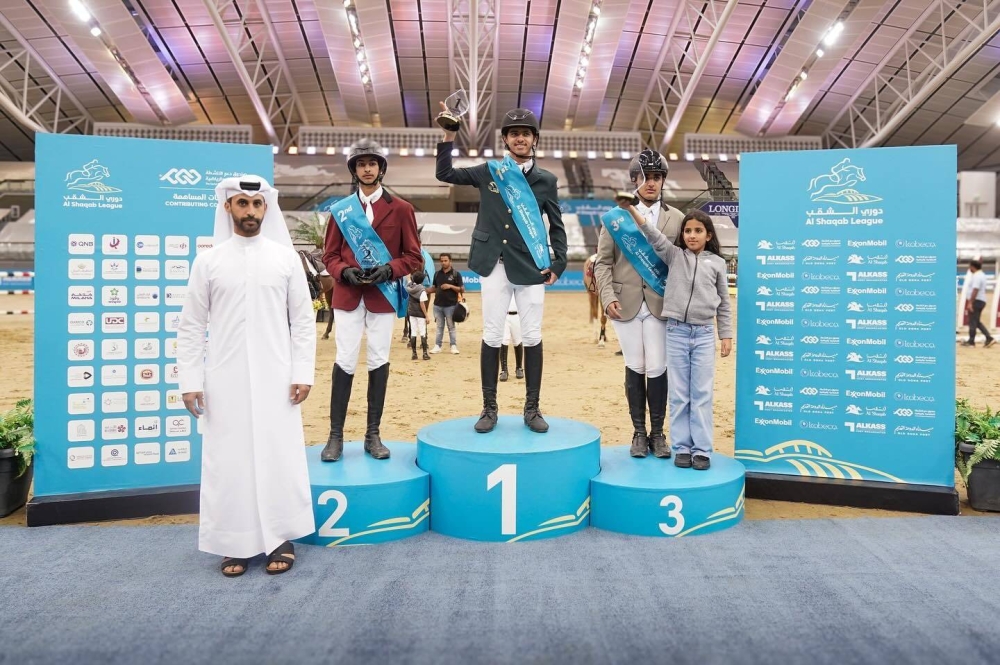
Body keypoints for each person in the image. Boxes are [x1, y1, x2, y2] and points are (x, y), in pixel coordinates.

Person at [177, 176, 316, 577]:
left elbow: (303, 322)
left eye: (257, 204)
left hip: (278, 378)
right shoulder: (209, 262)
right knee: (228, 460)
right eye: (242, 203)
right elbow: (191, 325)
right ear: (227, 207)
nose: (250, 211)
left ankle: (280, 538)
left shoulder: (285, 259)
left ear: (266, 208)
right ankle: (233, 542)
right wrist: (190, 380)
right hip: (224, 379)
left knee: (278, 456)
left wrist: (302, 371)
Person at [436, 104, 568, 434]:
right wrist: (449, 136)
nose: (520, 138)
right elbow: (446, 174)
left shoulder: (547, 180)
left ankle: (532, 408)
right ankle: (489, 408)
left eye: (525, 134)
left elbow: (556, 225)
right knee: (492, 334)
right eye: (514, 134)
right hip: (492, 263)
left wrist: (559, 263)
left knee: (532, 335)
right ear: (506, 140)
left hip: (530, 266)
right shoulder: (490, 171)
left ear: (534, 139)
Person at [320, 139, 423, 462]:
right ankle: (335, 436)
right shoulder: (340, 210)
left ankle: (372, 434)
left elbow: (414, 257)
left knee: (379, 359)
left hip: (382, 295)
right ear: (354, 170)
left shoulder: (402, 209)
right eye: (361, 164)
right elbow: (330, 255)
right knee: (345, 359)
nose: (367, 169)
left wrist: (389, 270)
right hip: (348, 294)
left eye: (372, 163)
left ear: (381, 168)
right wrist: (344, 271)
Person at [595, 149, 684, 458]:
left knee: (658, 366)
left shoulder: (678, 218)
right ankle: (638, 433)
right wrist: (607, 296)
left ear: (663, 181)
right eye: (645, 177)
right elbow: (603, 262)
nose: (651, 183)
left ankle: (657, 434)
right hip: (625, 303)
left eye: (657, 177)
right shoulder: (614, 218)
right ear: (634, 180)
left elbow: (681, 265)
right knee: (635, 365)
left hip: (662, 303)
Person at [633, 208, 732, 470]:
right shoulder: (674, 255)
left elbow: (724, 302)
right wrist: (631, 208)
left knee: (701, 394)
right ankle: (682, 448)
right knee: (679, 395)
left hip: (704, 334)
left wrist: (725, 334)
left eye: (698, 230)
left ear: (708, 235)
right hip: (676, 332)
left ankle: (702, 450)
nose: (692, 235)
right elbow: (652, 234)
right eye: (687, 231)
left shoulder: (718, 263)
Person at [428, 253, 464, 354]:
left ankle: (453, 346)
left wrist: (450, 286)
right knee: (439, 327)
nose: (443, 263)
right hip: (437, 305)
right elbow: (434, 288)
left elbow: (462, 289)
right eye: (441, 261)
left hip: (451, 305)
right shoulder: (437, 274)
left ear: (450, 261)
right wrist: (423, 290)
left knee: (451, 327)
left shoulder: (456, 274)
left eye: (445, 261)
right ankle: (437, 346)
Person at [963, 259, 995, 347]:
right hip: (981, 300)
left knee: (972, 321)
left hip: (976, 301)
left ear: (972, 267)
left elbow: (975, 289)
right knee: (976, 321)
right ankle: (988, 338)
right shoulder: (982, 275)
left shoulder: (977, 276)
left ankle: (971, 341)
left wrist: (970, 302)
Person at [405, 269, 431, 360]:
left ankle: (414, 353)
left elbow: (408, 280)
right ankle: (425, 353)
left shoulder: (410, 287)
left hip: (411, 313)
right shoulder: (422, 290)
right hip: (420, 314)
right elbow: (422, 304)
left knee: (413, 332)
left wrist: (408, 275)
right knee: (422, 332)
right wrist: (426, 315)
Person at [499, 294, 524, 382]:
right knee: (504, 340)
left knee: (517, 340)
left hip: (517, 315)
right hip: (504, 315)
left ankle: (519, 367)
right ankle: (504, 370)